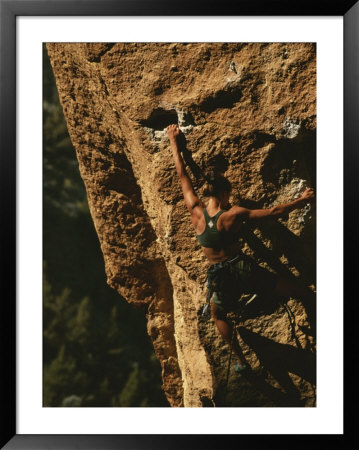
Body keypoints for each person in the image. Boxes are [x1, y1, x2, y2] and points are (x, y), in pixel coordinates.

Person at [166, 124, 315, 373]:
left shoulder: (195, 211)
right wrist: (303, 199)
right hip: (242, 269)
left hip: (220, 277)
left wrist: (174, 142)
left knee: (219, 316)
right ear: (224, 194)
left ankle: (241, 362)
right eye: (229, 196)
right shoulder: (233, 214)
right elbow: (273, 212)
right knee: (297, 290)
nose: (230, 200)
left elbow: (183, 176)